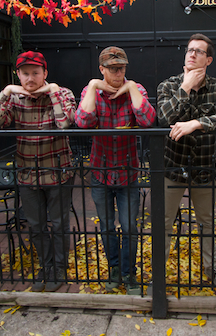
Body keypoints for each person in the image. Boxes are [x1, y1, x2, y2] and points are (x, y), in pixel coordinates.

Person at [0, 51, 76, 292]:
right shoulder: (14, 98)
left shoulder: (63, 93)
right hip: (27, 172)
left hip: (58, 170)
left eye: (35, 73)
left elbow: (65, 123)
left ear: (45, 73)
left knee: (58, 224)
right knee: (36, 225)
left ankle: (59, 267)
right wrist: (6, 92)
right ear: (18, 75)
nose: (30, 78)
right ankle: (45, 266)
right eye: (24, 73)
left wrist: (53, 92)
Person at [157, 33, 216, 290]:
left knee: (207, 221)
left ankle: (212, 268)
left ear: (208, 59)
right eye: (189, 50)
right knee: (164, 221)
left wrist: (197, 123)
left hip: (203, 167)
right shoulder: (168, 86)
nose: (192, 54)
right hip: (173, 166)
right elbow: (162, 117)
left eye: (198, 51)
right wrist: (185, 88)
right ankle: (158, 275)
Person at [76, 46, 156, 295]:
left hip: (128, 172)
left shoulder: (137, 90)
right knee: (107, 225)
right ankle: (114, 269)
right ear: (102, 70)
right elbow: (83, 122)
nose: (117, 72)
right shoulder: (92, 92)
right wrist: (92, 86)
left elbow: (147, 120)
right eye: (112, 69)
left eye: (121, 68)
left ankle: (128, 273)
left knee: (130, 226)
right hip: (100, 172)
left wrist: (131, 88)